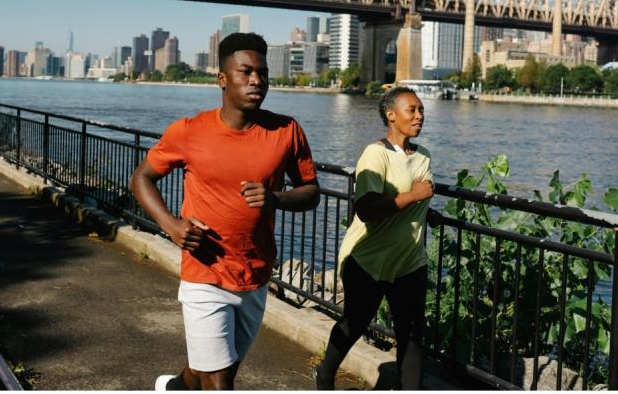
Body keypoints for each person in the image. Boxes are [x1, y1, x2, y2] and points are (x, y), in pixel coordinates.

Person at [130, 32, 320, 390]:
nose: (256, 81)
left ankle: (174, 388)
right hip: (205, 272)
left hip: (255, 273)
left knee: (216, 371)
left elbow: (311, 192)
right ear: (221, 79)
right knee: (219, 384)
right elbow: (142, 178)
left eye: (262, 73)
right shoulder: (189, 131)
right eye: (245, 72)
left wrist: (276, 197)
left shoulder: (286, 131)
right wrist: (171, 226)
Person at [314, 86, 434, 390]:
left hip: (409, 262)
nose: (420, 116)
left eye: (421, 110)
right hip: (368, 259)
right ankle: (325, 374)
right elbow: (366, 209)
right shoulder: (375, 154)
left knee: (412, 335)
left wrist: (423, 208)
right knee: (355, 323)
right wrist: (413, 196)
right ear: (391, 115)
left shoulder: (424, 156)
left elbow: (417, 201)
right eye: (412, 110)